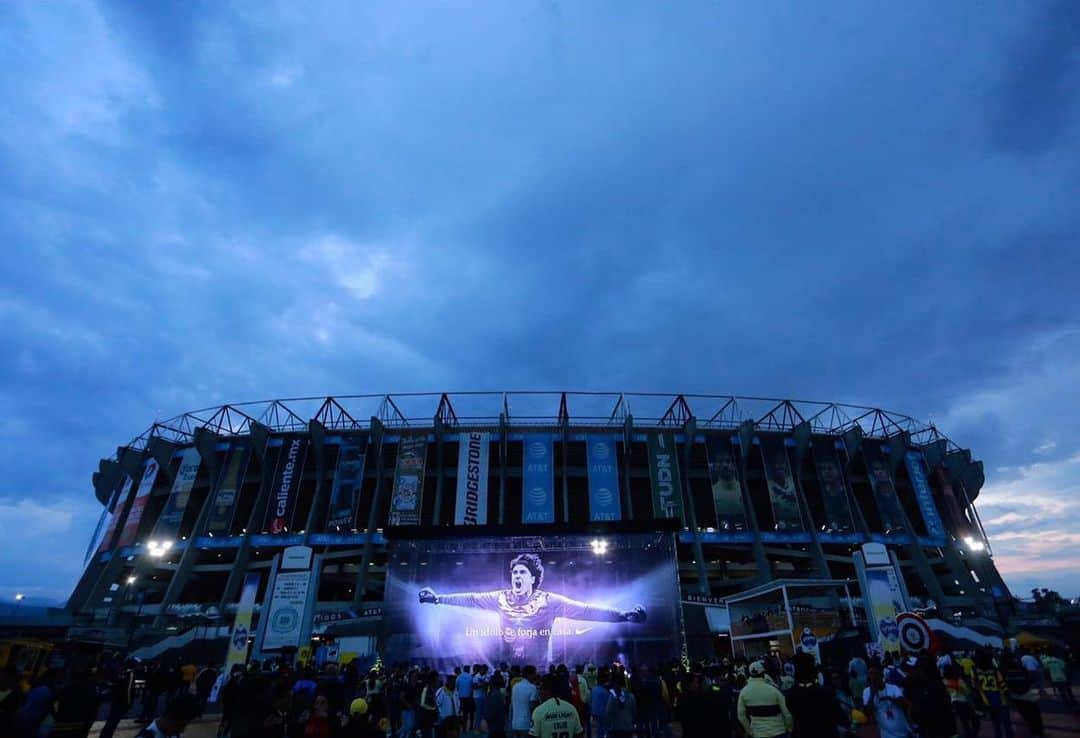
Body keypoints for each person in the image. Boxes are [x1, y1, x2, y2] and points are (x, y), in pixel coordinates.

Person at [417, 553, 647, 664]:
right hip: (508, 669)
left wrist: (623, 616)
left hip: (539, 670)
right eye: (514, 572)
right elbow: (470, 599)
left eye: (521, 572)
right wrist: (438, 599)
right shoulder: (499, 599)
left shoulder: (549, 602)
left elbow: (587, 611)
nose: (516, 576)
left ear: (533, 578)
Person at [737, 661, 792, 738]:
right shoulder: (774, 690)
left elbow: (741, 716)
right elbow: (787, 714)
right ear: (763, 673)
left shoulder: (744, 692)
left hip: (758, 733)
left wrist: (749, 731)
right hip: (778, 731)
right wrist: (788, 728)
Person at [972, 648, 1013, 738]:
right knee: (1006, 723)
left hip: (987, 700)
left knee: (996, 724)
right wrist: (1008, 696)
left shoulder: (975, 670)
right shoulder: (994, 669)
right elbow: (1002, 684)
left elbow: (975, 686)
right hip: (1000, 700)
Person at [862, 665, 911, 738]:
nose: (873, 677)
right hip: (887, 734)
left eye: (876, 673)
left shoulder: (893, 687)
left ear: (882, 675)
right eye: (871, 674)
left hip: (903, 730)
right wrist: (872, 695)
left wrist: (890, 698)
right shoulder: (866, 692)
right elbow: (868, 711)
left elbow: (904, 703)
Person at [50, 669, 101, 738]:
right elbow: (92, 714)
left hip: (61, 724)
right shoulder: (92, 694)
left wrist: (57, 715)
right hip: (78, 728)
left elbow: (54, 706)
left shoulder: (66, 690)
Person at [530, 673, 584, 738]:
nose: (539, 692)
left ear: (547, 690)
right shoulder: (571, 708)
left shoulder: (539, 711)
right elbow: (579, 734)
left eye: (541, 688)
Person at [1003, 652, 1043, 737]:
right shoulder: (1020, 667)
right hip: (1026, 693)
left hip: (1015, 696)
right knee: (1034, 712)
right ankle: (1037, 731)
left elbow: (1006, 684)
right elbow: (1028, 680)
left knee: (1025, 713)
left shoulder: (1004, 670)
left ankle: (1034, 730)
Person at [134, 693, 201, 738]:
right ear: (169, 717)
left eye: (185, 725)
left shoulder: (171, 733)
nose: (182, 730)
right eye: (179, 725)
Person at [943, 662, 979, 738]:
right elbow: (967, 692)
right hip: (964, 702)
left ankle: (968, 734)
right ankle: (972, 734)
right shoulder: (959, 681)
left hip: (954, 702)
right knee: (974, 720)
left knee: (964, 721)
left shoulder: (945, 681)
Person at [601, 673, 636, 738]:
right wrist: (633, 723)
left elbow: (608, 712)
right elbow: (634, 712)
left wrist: (607, 725)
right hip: (628, 727)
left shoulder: (612, 696)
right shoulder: (631, 696)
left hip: (616, 729)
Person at [510, 667, 539, 738]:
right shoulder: (532, 687)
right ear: (529, 674)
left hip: (515, 723)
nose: (536, 675)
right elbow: (532, 707)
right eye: (534, 673)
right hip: (526, 724)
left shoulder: (515, 686)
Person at [485, 672, 508, 738]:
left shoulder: (494, 695)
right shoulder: (499, 693)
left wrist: (487, 717)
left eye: (490, 681)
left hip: (495, 726)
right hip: (499, 725)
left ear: (492, 683)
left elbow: (492, 712)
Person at [456, 666, 474, 731]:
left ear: (463, 669)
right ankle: (468, 728)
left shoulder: (459, 677)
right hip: (468, 698)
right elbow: (472, 687)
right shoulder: (470, 677)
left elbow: (456, 687)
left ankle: (462, 728)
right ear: (468, 670)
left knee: (459, 712)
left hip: (460, 698)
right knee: (467, 713)